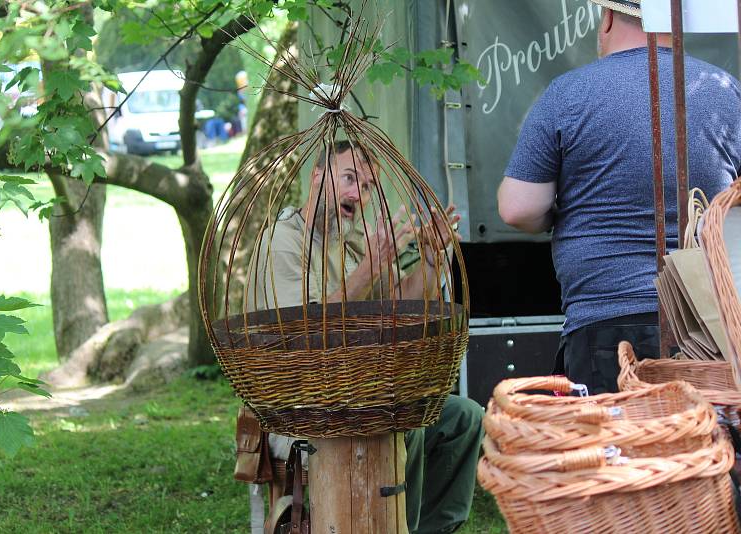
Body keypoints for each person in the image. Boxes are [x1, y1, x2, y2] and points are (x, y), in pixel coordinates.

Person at [497, 0, 741, 394]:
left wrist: (560, 212)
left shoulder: (567, 93)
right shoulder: (726, 92)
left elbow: (517, 208)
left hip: (605, 324)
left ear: (607, 17)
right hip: (708, 322)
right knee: (703, 451)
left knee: (615, 453)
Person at [248, 140, 484, 534]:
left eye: (370, 186)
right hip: (301, 408)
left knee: (463, 418)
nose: (359, 193)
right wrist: (370, 268)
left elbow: (400, 305)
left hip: (363, 397)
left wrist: (429, 258)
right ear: (318, 178)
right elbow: (302, 333)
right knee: (402, 423)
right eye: (349, 178)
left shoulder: (354, 243)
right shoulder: (282, 243)